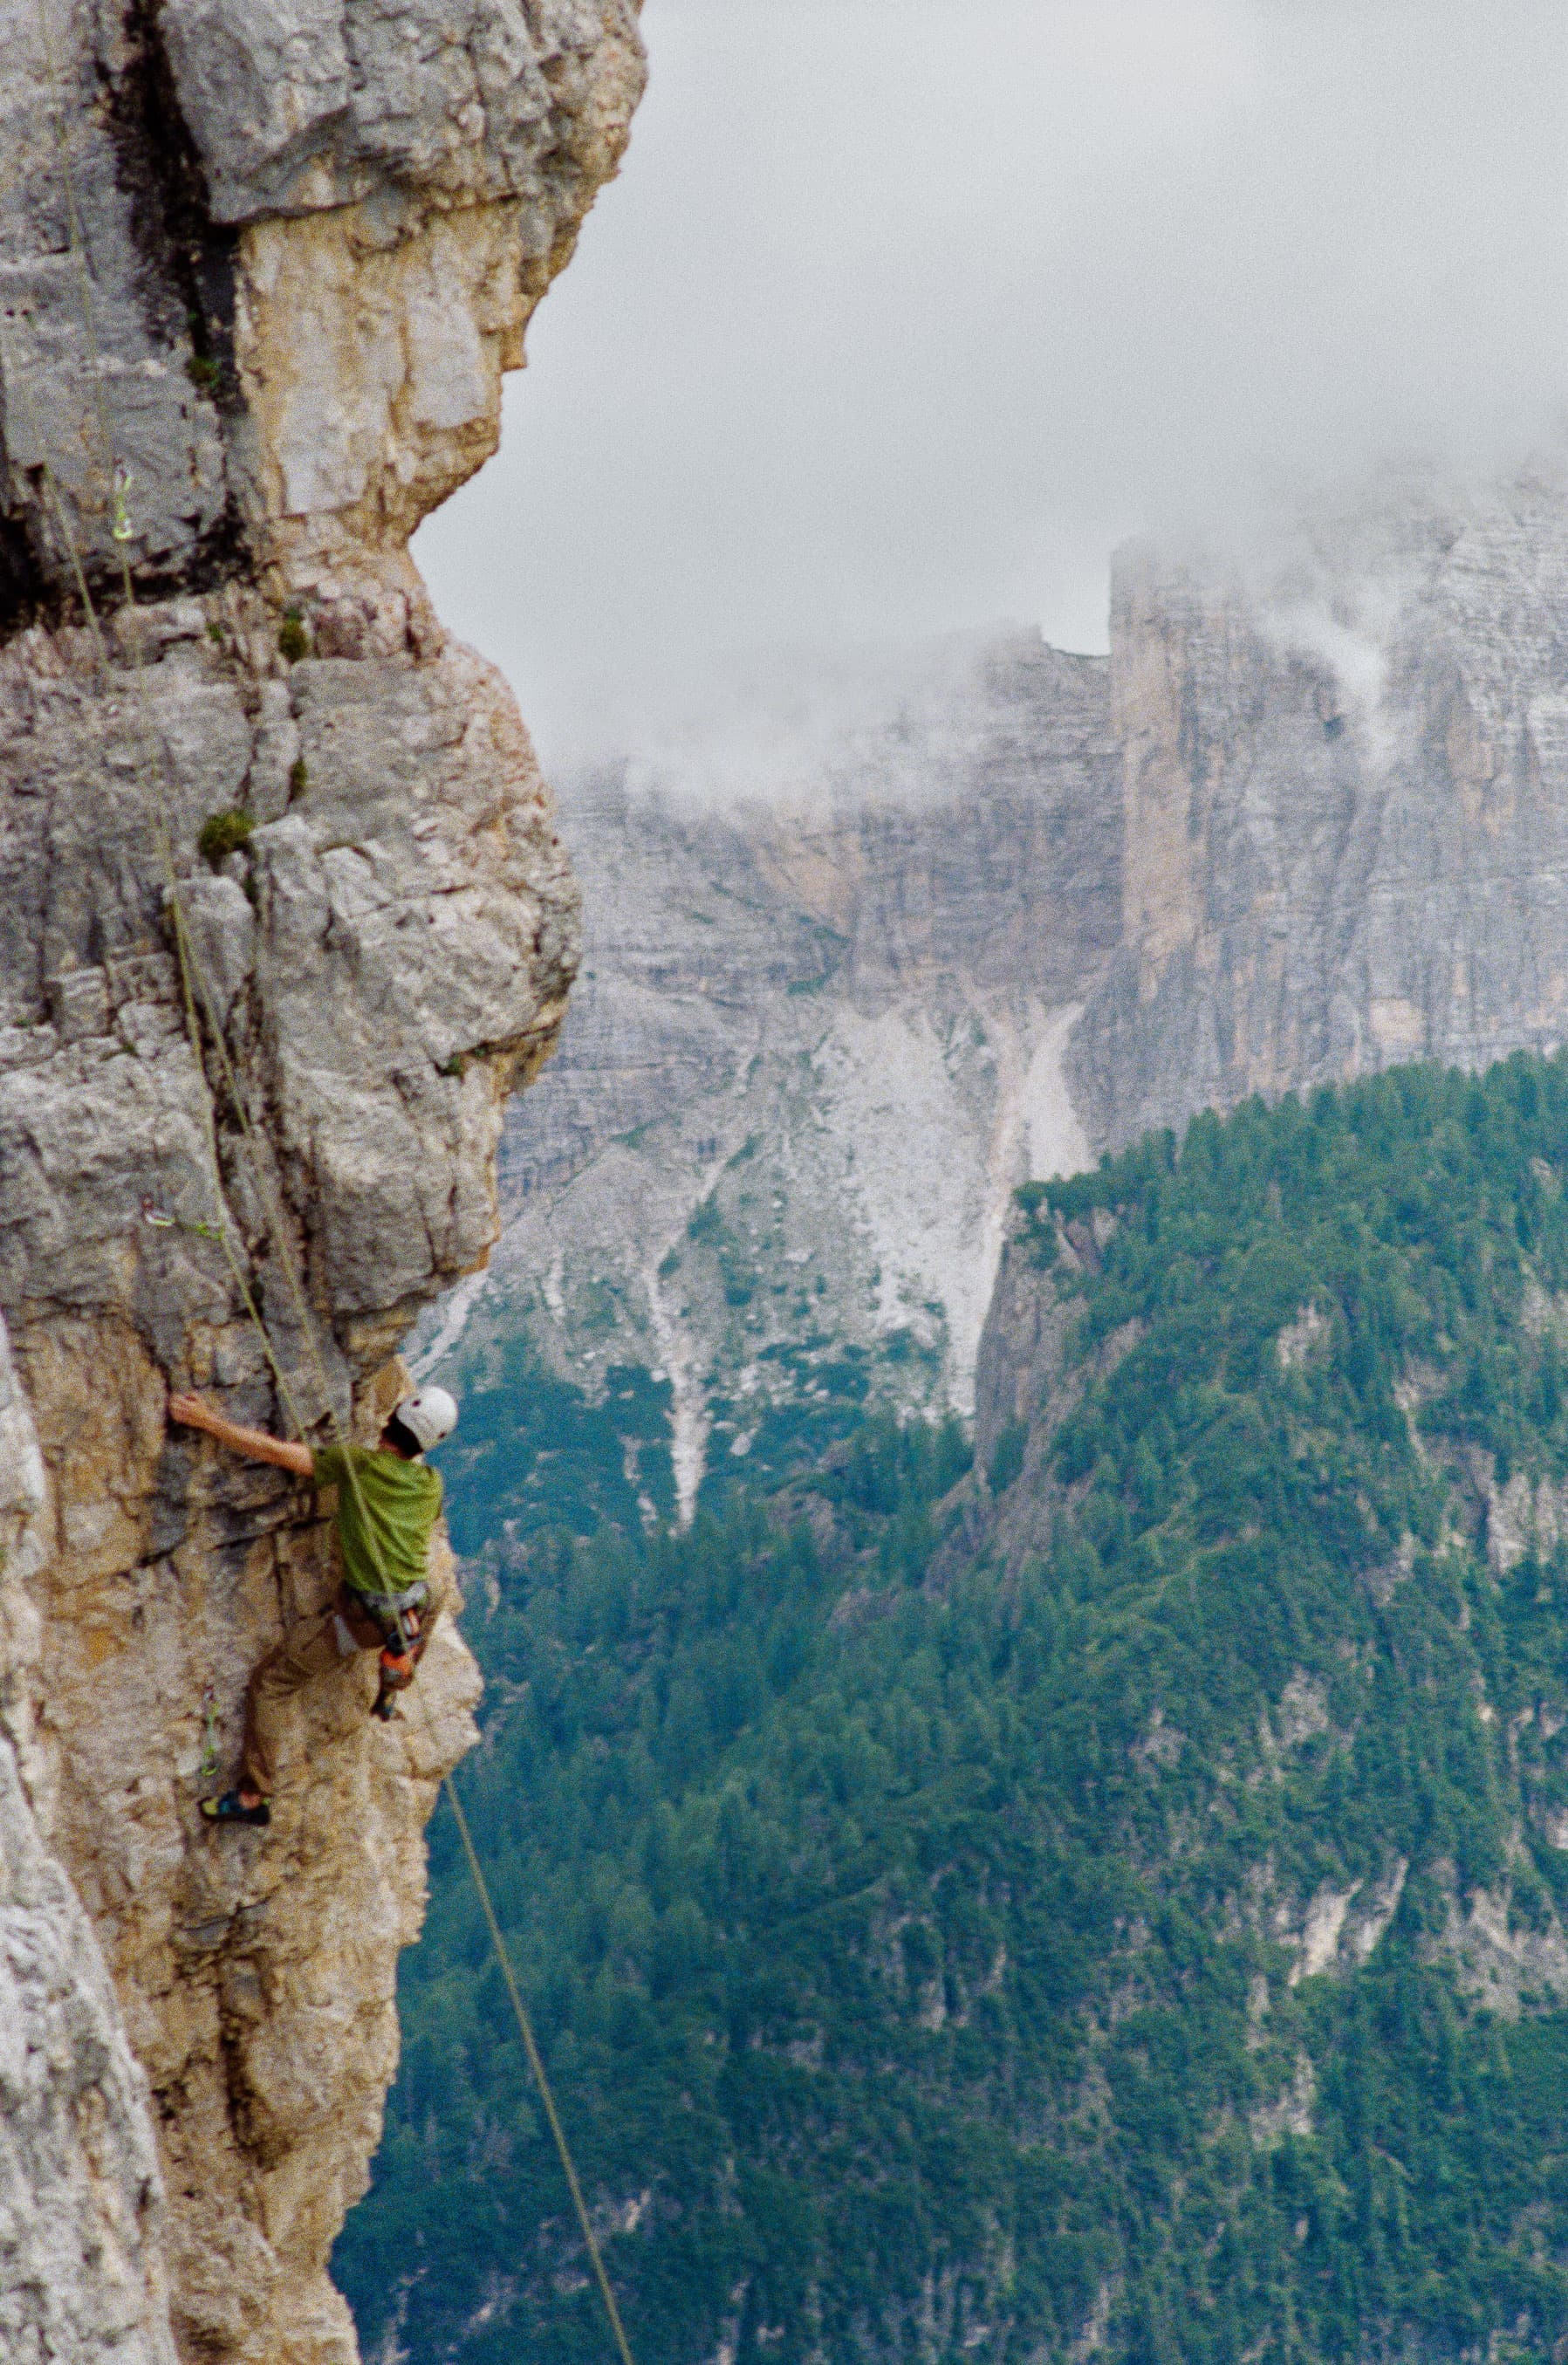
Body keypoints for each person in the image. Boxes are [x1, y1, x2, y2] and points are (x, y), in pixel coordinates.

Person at [168, 1385, 459, 1827]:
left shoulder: (357, 1467)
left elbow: (276, 1452)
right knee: (426, 1602)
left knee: (272, 1684)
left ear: (393, 1417)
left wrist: (208, 1421)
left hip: (363, 1621)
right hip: (413, 1605)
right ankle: (390, 1686)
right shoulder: (432, 1485)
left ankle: (253, 1796)